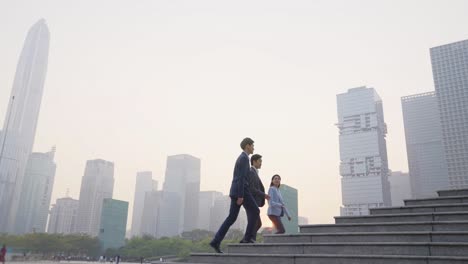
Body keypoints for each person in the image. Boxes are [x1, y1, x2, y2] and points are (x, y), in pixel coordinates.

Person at [210, 137, 260, 253]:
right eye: (252, 145)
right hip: (241, 191)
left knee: (231, 218)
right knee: (255, 211)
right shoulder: (243, 158)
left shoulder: (242, 158)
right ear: (247, 146)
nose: (253, 148)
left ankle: (215, 241)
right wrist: (241, 196)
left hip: (236, 190)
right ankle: (247, 238)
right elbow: (241, 178)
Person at [248, 154, 270, 241]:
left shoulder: (255, 172)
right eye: (260, 161)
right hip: (252, 201)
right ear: (254, 161)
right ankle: (250, 239)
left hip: (255, 202)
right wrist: (264, 195)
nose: (261, 163)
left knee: (256, 223)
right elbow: (252, 189)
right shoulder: (251, 172)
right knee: (256, 223)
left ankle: (250, 238)